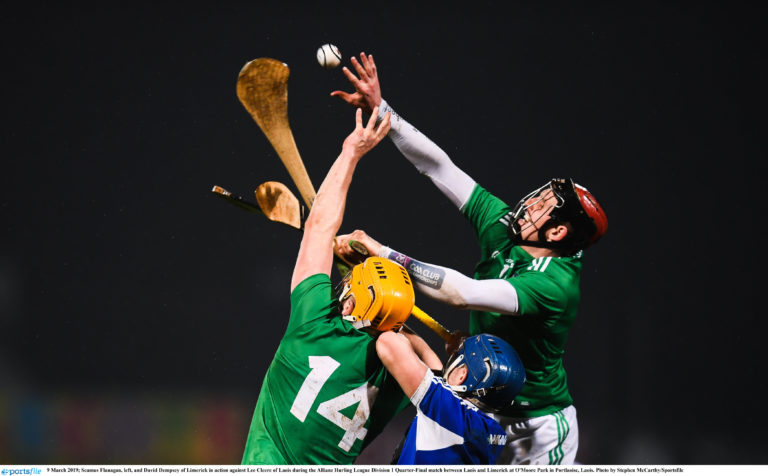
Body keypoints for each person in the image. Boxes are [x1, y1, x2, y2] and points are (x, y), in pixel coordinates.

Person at [331, 53, 608, 465]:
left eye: (544, 206)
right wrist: (384, 112)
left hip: (535, 428)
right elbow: (440, 167)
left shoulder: (555, 285)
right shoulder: (503, 226)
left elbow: (463, 294)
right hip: (480, 403)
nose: (530, 203)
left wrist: (383, 252)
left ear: (557, 233)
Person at [241, 107, 432, 464]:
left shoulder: (312, 324)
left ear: (349, 304)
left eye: (348, 285)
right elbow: (437, 378)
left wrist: (351, 152)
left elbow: (319, 227)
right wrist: (409, 334)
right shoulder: (398, 378)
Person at [376, 331, 525, 464]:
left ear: (462, 375)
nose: (450, 364)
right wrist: (403, 329)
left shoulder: (448, 412)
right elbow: (435, 373)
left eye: (458, 358)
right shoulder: (489, 429)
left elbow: (388, 344)